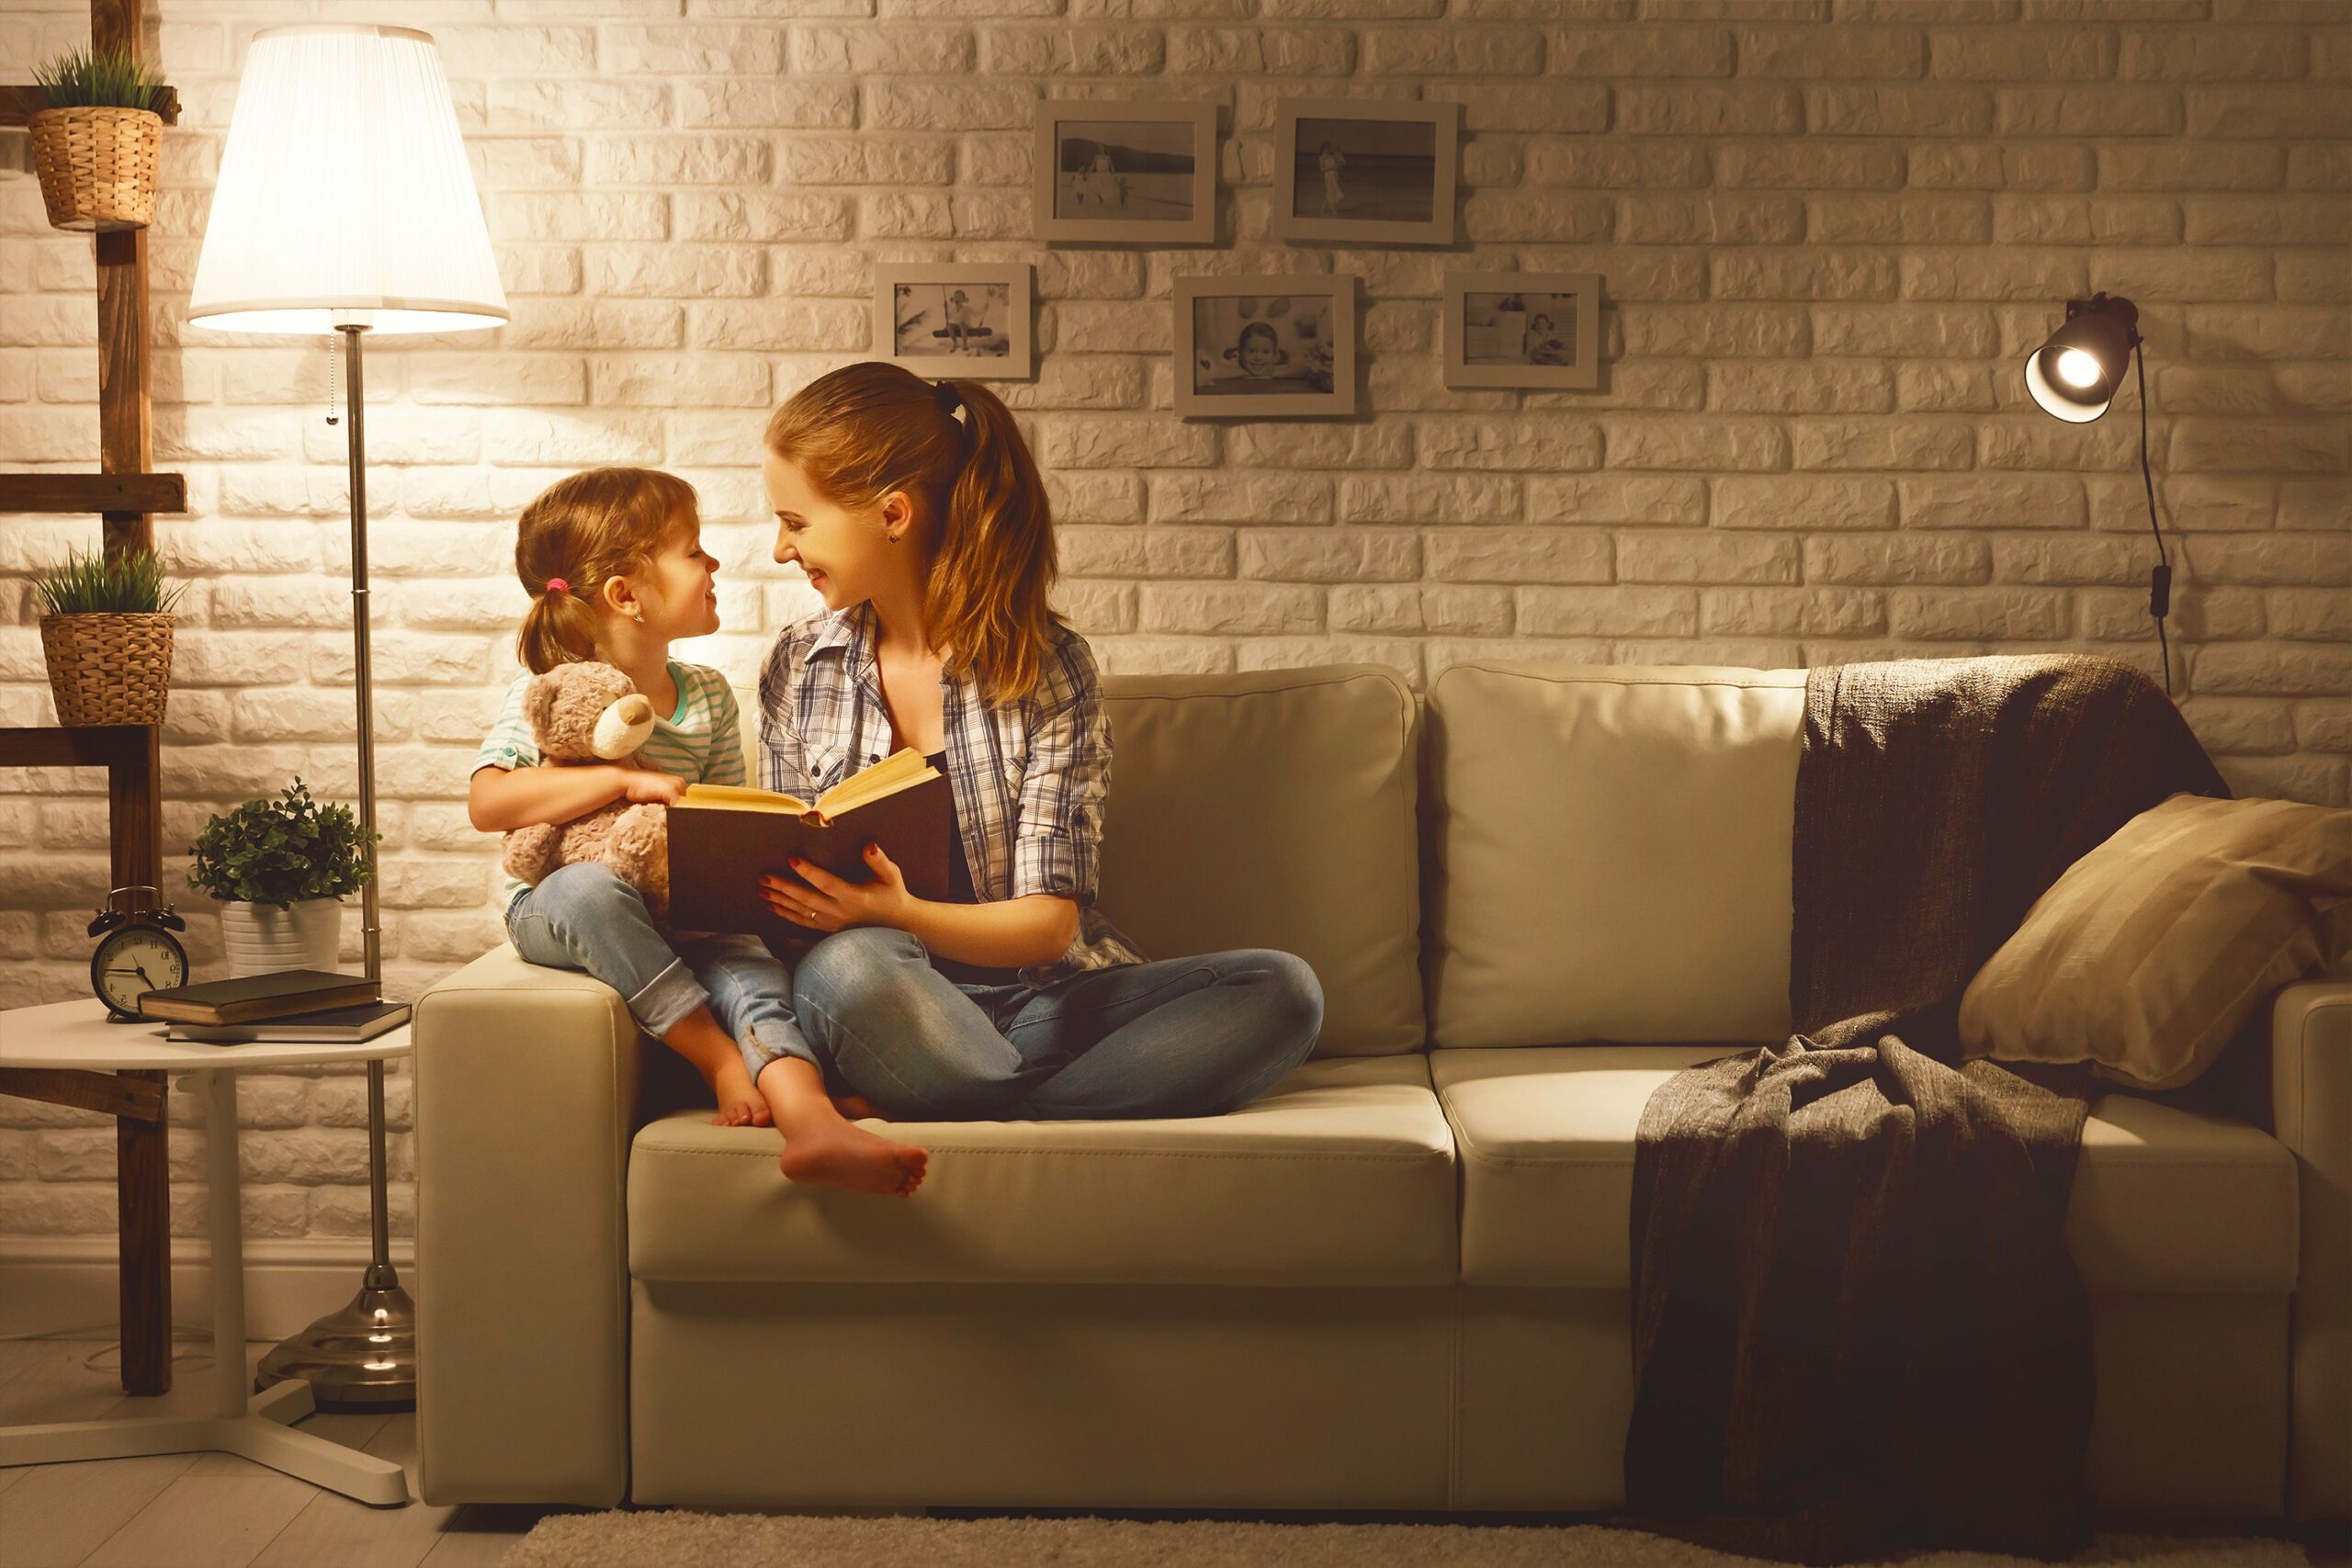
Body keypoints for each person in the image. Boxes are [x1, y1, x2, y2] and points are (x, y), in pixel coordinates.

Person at [752, 363, 1327, 1194]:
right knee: (851, 967)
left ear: (893, 514)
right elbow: (780, 898)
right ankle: (1001, 1095)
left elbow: (1049, 928)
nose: (781, 548)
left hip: (1038, 1003)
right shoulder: (799, 666)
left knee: (1281, 990)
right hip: (888, 1000)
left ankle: (984, 1105)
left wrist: (901, 907)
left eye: (795, 521)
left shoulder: (1048, 668)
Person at [467, 468, 917, 1197]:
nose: (713, 565)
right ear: (625, 594)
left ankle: (812, 1119)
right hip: (560, 902)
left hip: (680, 906)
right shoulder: (551, 685)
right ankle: (716, 1059)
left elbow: (719, 816)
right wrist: (617, 781)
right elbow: (489, 802)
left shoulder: (705, 695)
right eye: (693, 551)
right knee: (590, 887)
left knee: (751, 967)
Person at [1224, 320, 1288, 379]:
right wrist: (1243, 373)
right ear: (1240, 353)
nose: (1258, 358)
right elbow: (1215, 370)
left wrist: (1273, 374)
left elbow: (1298, 371)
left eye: (1265, 352)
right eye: (1251, 351)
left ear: (1275, 355)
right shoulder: (1233, 365)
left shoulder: (1276, 369)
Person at [1317, 139, 1346, 216]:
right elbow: (1322, 169)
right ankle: (1333, 210)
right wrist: (1331, 168)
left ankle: (1322, 207)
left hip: (1334, 175)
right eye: (1328, 148)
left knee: (1332, 191)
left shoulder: (1331, 155)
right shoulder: (1321, 157)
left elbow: (1338, 163)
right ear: (1325, 148)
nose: (1329, 149)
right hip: (1328, 175)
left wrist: (1337, 172)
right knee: (1330, 191)